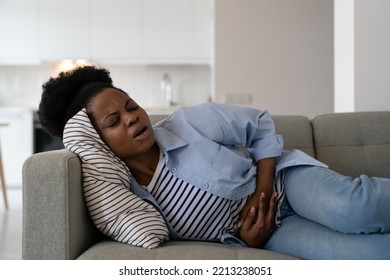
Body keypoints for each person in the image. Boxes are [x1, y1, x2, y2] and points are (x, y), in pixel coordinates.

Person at [38, 65, 390, 259]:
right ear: (96, 140)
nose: (131, 117)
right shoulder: (128, 200)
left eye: (130, 105)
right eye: (113, 122)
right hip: (273, 233)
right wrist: (250, 242)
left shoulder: (188, 123)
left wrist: (263, 189)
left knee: (353, 208)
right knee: (361, 257)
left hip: (287, 184)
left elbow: (262, 124)